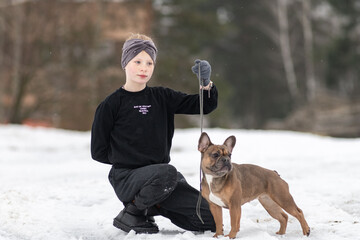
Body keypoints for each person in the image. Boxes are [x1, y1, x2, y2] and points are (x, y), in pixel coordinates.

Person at [91, 33, 218, 234]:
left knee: (209, 219)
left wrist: (205, 83)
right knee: (167, 172)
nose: (144, 67)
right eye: (138, 61)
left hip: (163, 179)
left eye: (149, 63)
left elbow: (204, 105)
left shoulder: (162, 97)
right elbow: (97, 151)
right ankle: (132, 212)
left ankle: (152, 204)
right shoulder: (111, 104)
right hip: (126, 178)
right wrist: (129, 161)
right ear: (125, 63)